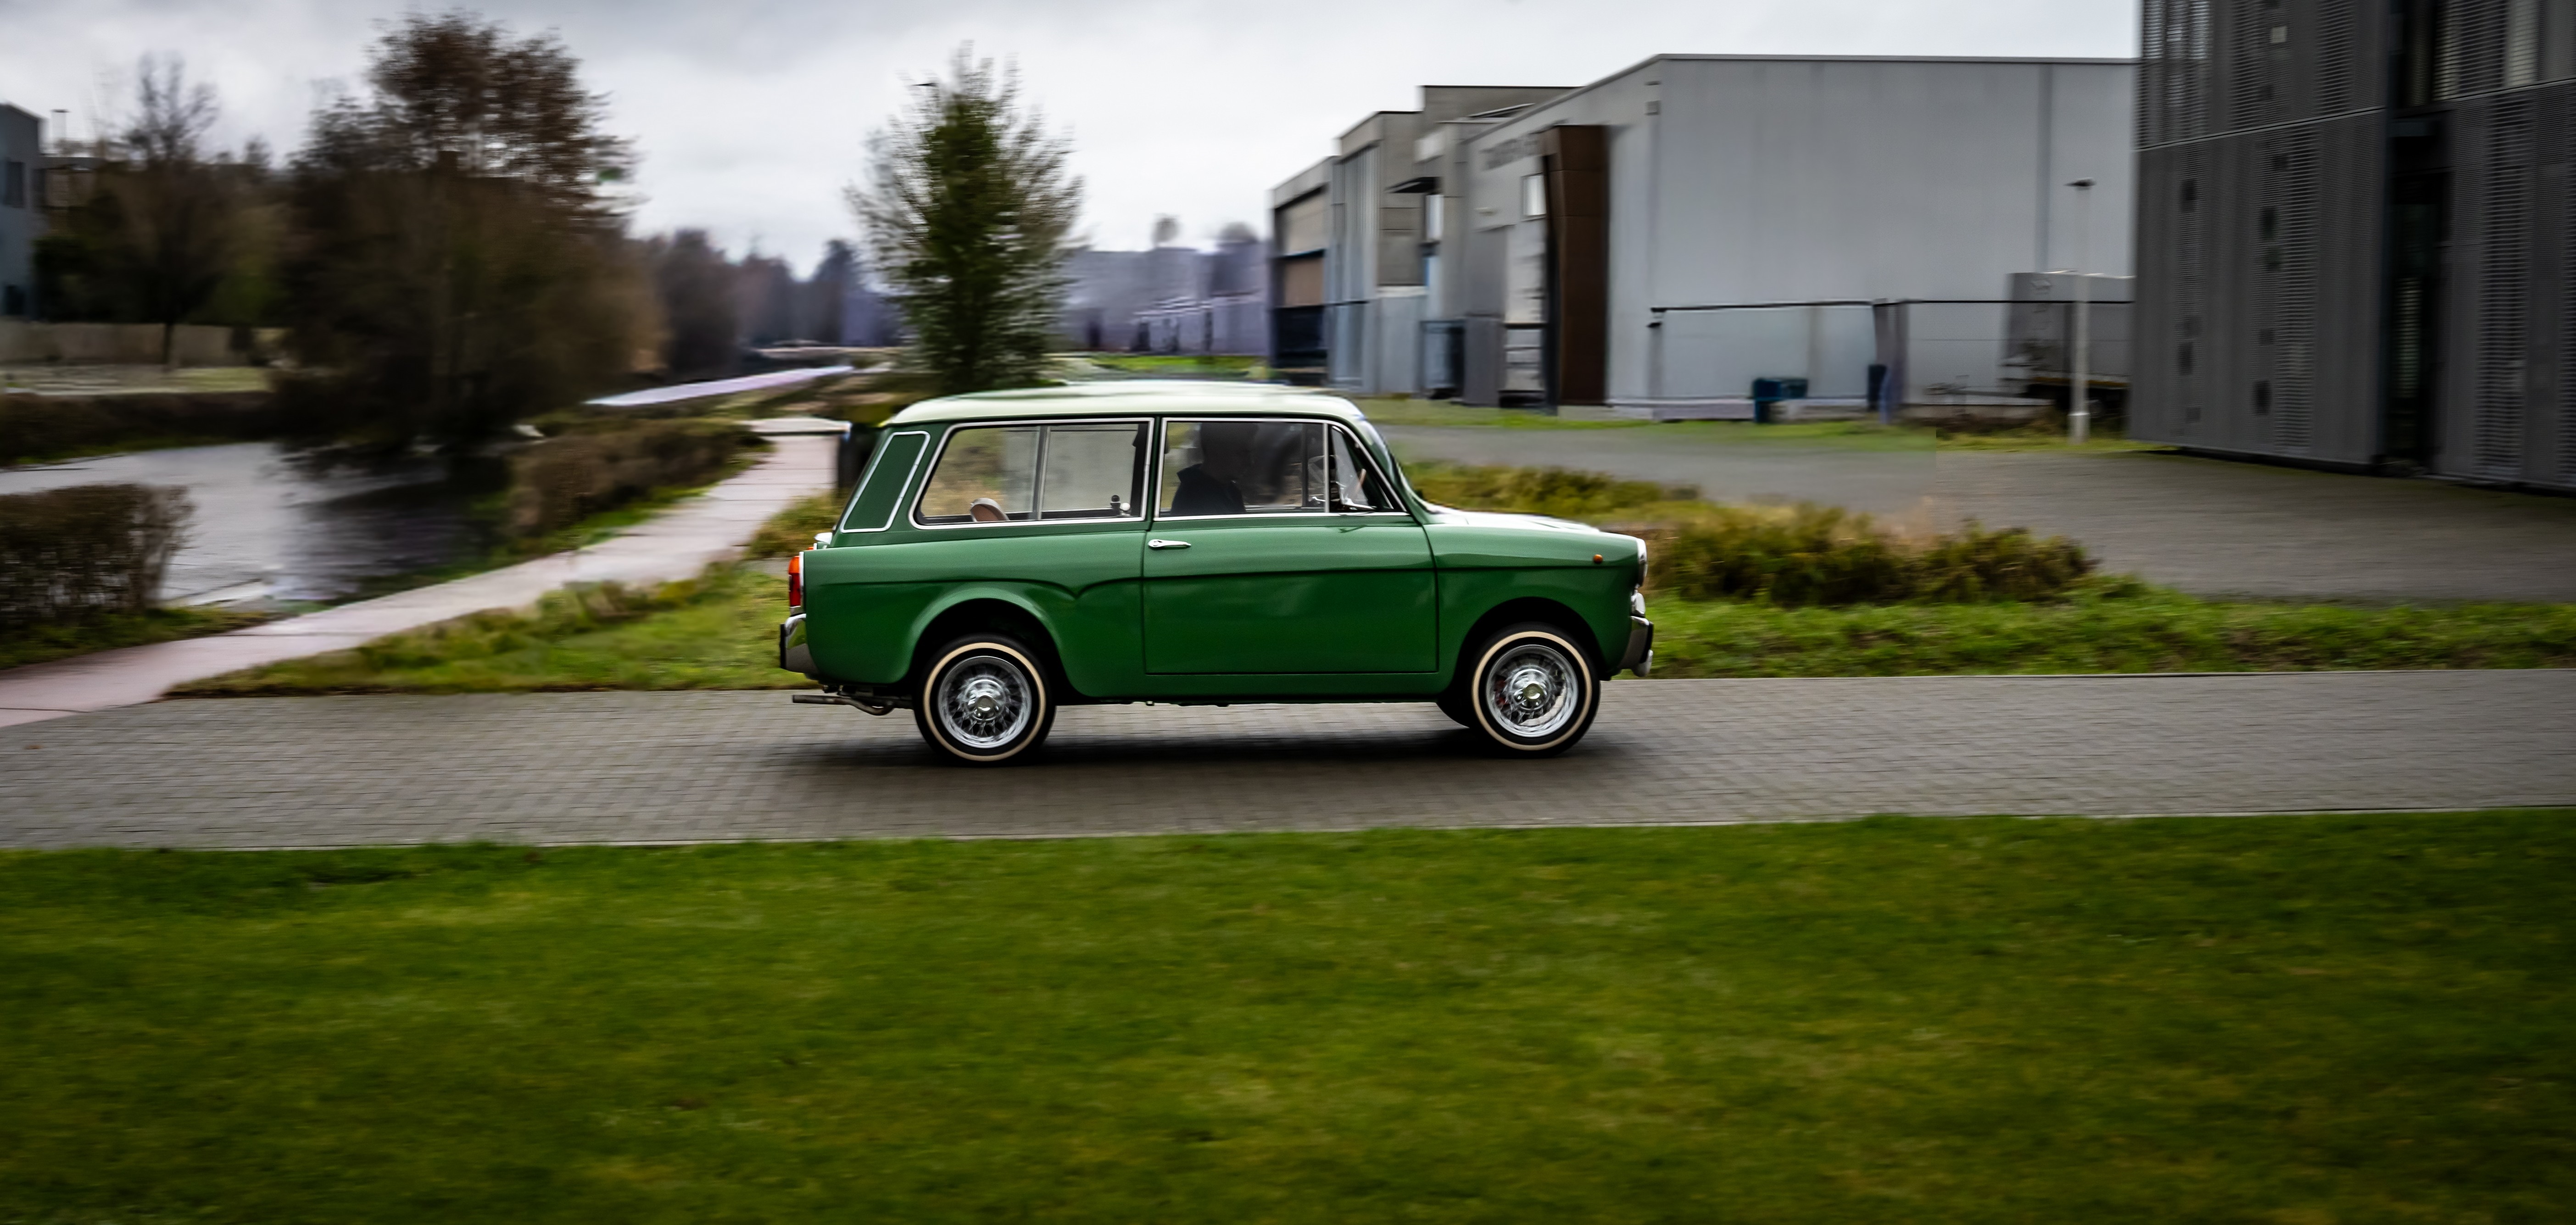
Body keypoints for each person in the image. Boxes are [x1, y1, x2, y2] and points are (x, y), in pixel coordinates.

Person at [1168, 423, 1252, 515]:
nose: (1250, 462)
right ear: (1217, 451)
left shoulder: (1230, 490)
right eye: (1242, 454)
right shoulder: (1197, 500)